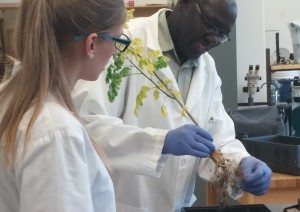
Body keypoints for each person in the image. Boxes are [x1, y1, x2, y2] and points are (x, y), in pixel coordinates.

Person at [74, 0, 272, 211]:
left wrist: (241, 164)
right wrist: (161, 143)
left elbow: (216, 139)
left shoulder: (207, 67)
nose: (213, 39)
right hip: (119, 205)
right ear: (184, 4)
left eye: (222, 35)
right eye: (211, 25)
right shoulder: (124, 43)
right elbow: (88, 129)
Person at [0, 0, 129, 211]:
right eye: (117, 40)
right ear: (92, 44)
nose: (116, 52)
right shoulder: (55, 131)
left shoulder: (8, 96)